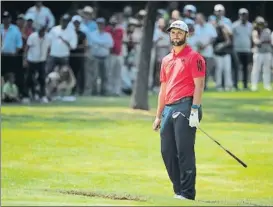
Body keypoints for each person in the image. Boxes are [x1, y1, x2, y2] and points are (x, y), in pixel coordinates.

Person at [152, 20, 206, 201]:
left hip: (186, 105)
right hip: (168, 107)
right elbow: (163, 89)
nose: (175, 35)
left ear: (186, 35)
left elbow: (199, 86)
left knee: (184, 151)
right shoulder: (166, 59)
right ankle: (179, 190)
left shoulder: (195, 57)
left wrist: (195, 110)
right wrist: (158, 116)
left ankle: (188, 193)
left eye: (179, 32)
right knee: (167, 151)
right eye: (173, 32)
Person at [24, 26, 51, 103]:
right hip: (32, 60)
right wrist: (25, 59)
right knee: (29, 78)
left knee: (42, 79)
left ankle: (42, 96)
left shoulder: (48, 38)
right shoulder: (32, 36)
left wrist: (47, 58)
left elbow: (49, 48)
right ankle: (26, 96)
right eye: (40, 31)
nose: (41, 33)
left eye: (43, 31)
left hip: (42, 60)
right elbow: (27, 48)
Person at [232, 8, 252, 90]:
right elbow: (232, 37)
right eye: (242, 14)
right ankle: (235, 85)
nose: (243, 16)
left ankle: (245, 85)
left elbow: (251, 37)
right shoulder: (235, 25)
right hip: (237, 49)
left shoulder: (250, 25)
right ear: (239, 15)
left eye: (245, 15)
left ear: (247, 16)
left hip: (247, 49)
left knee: (245, 68)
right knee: (236, 68)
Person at [251, 16, 272, 91]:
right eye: (259, 23)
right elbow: (256, 41)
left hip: (267, 52)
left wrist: (264, 42)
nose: (261, 25)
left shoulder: (268, 31)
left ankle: (267, 85)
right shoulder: (255, 31)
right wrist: (260, 41)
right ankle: (254, 85)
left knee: (267, 70)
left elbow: (270, 41)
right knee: (256, 70)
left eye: (262, 23)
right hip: (258, 53)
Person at [69, 15, 87, 96]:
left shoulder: (82, 34)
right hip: (71, 56)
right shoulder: (69, 33)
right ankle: (72, 90)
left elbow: (85, 45)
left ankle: (81, 90)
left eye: (78, 23)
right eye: (75, 23)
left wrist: (75, 46)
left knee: (80, 73)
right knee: (72, 73)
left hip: (80, 55)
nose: (76, 24)